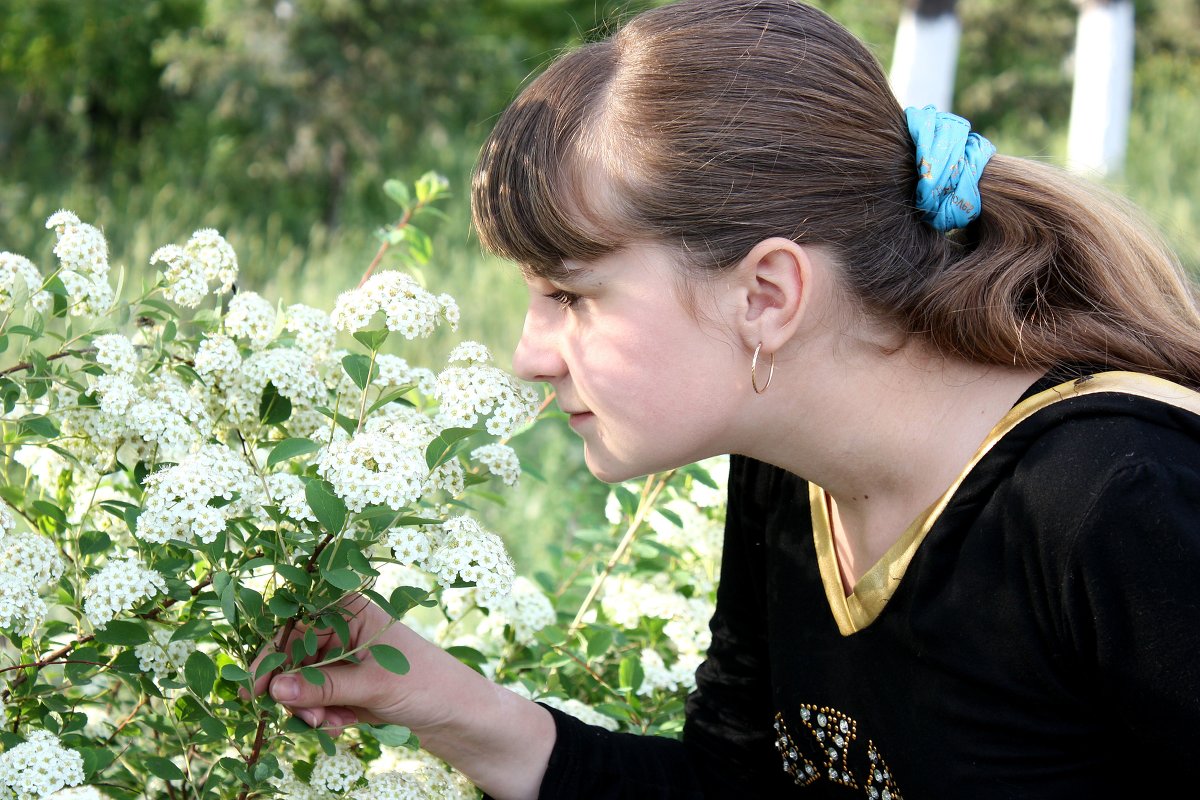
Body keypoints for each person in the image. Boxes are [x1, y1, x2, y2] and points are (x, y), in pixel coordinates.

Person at [257, 0, 1200, 796]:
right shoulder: (791, 473)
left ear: (766, 296)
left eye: (571, 295)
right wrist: (451, 704)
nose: (528, 356)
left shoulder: (1118, 500)